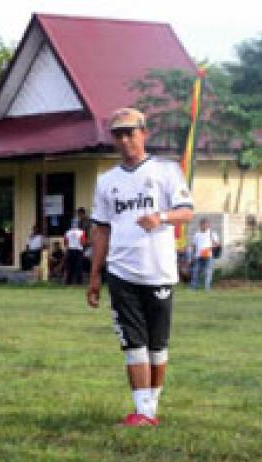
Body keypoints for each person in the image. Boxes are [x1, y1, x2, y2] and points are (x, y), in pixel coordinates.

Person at [87, 107, 194, 427]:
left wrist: (160, 217)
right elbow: (101, 229)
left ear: (144, 133)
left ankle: (151, 408)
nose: (124, 139)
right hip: (122, 271)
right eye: (118, 134)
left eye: (130, 132)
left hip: (158, 269)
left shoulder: (166, 171)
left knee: (157, 345)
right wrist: (95, 275)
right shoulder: (106, 181)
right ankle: (142, 412)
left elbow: (186, 211)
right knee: (134, 344)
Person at [190, 218, 220, 291]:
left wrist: (209, 248)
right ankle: (194, 287)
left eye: (206, 224)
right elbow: (194, 245)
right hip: (198, 256)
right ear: (200, 225)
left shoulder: (212, 234)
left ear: (208, 225)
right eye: (203, 224)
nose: (205, 226)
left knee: (208, 272)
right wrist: (193, 255)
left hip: (209, 256)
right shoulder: (197, 234)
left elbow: (217, 244)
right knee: (195, 271)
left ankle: (207, 288)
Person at [63, 219, 86, 284]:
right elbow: (83, 242)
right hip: (79, 250)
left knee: (69, 267)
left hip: (70, 250)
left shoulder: (67, 232)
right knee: (79, 267)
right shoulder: (82, 232)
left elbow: (65, 243)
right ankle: (79, 282)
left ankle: (68, 282)